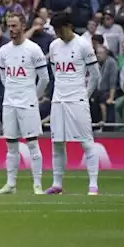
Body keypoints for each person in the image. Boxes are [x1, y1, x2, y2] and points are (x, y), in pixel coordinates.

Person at [45, 12, 100, 196]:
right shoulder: (54, 46)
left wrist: (85, 94)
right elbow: (55, 72)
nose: (57, 33)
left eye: (59, 29)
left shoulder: (83, 45)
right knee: (57, 143)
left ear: (69, 26)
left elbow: (95, 75)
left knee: (86, 142)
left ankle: (93, 184)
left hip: (77, 99)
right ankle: (57, 184)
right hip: (58, 100)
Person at [0, 12, 48, 195]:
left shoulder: (33, 49)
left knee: (32, 143)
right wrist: (12, 91)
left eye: (14, 26)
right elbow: (4, 77)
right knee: (11, 145)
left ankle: (37, 184)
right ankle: (10, 184)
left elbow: (44, 79)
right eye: (9, 26)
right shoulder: (3, 51)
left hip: (28, 103)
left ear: (23, 26)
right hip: (9, 102)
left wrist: (33, 96)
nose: (11, 29)